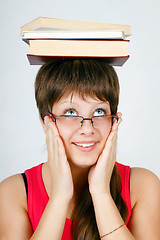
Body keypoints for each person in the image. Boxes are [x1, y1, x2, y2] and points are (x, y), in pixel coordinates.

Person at [0, 59, 159, 240]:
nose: (87, 128)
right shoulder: (14, 192)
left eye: (99, 112)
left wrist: (101, 194)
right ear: (45, 122)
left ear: (114, 120)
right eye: (70, 113)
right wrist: (60, 196)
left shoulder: (142, 185)